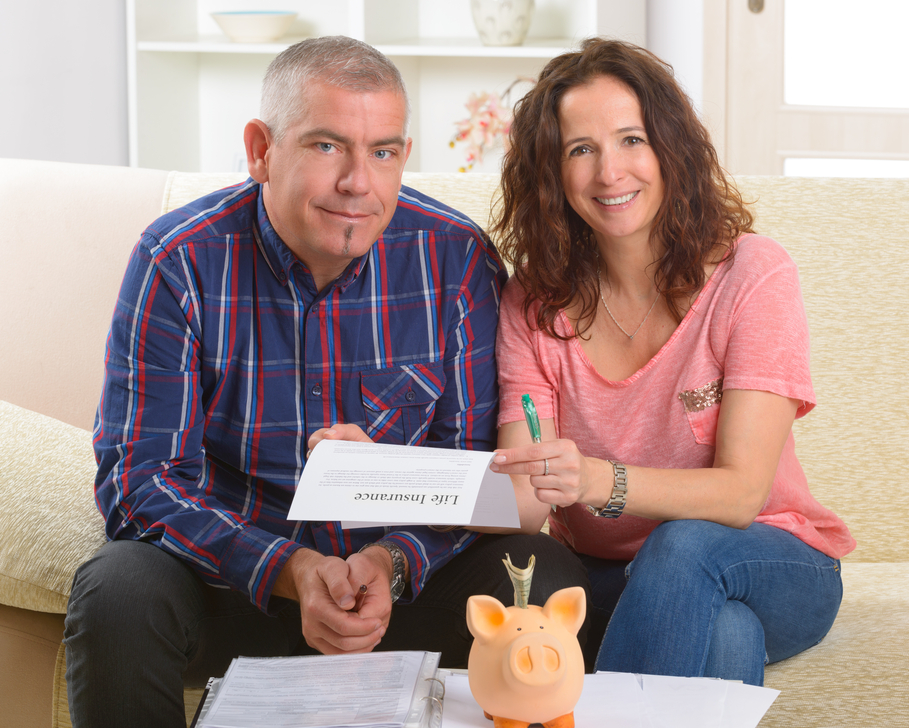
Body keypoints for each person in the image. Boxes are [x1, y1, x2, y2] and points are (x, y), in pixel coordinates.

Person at [63, 36, 587, 728]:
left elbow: (474, 473)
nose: (358, 184)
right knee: (117, 588)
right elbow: (140, 478)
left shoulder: (455, 261)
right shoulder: (177, 262)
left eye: (384, 152)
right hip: (233, 587)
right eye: (326, 146)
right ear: (260, 150)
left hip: (398, 594)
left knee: (539, 570)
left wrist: (391, 559)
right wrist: (289, 569)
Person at [488, 38, 856, 686]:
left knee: (682, 543)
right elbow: (523, 500)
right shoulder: (532, 303)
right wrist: (383, 475)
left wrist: (596, 481)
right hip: (612, 579)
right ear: (551, 173)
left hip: (774, 558)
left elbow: (742, 493)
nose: (610, 172)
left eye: (632, 140)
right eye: (581, 150)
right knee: (726, 637)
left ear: (670, 147)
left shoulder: (752, 275)